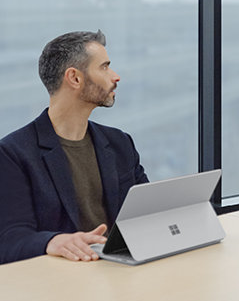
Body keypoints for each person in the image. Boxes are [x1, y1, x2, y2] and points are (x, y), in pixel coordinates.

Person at [0, 31, 148, 264]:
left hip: (120, 272)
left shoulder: (120, 143)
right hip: (61, 282)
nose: (116, 76)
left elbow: (146, 212)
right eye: (104, 67)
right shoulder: (13, 153)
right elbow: (10, 239)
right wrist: (52, 241)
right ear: (75, 78)